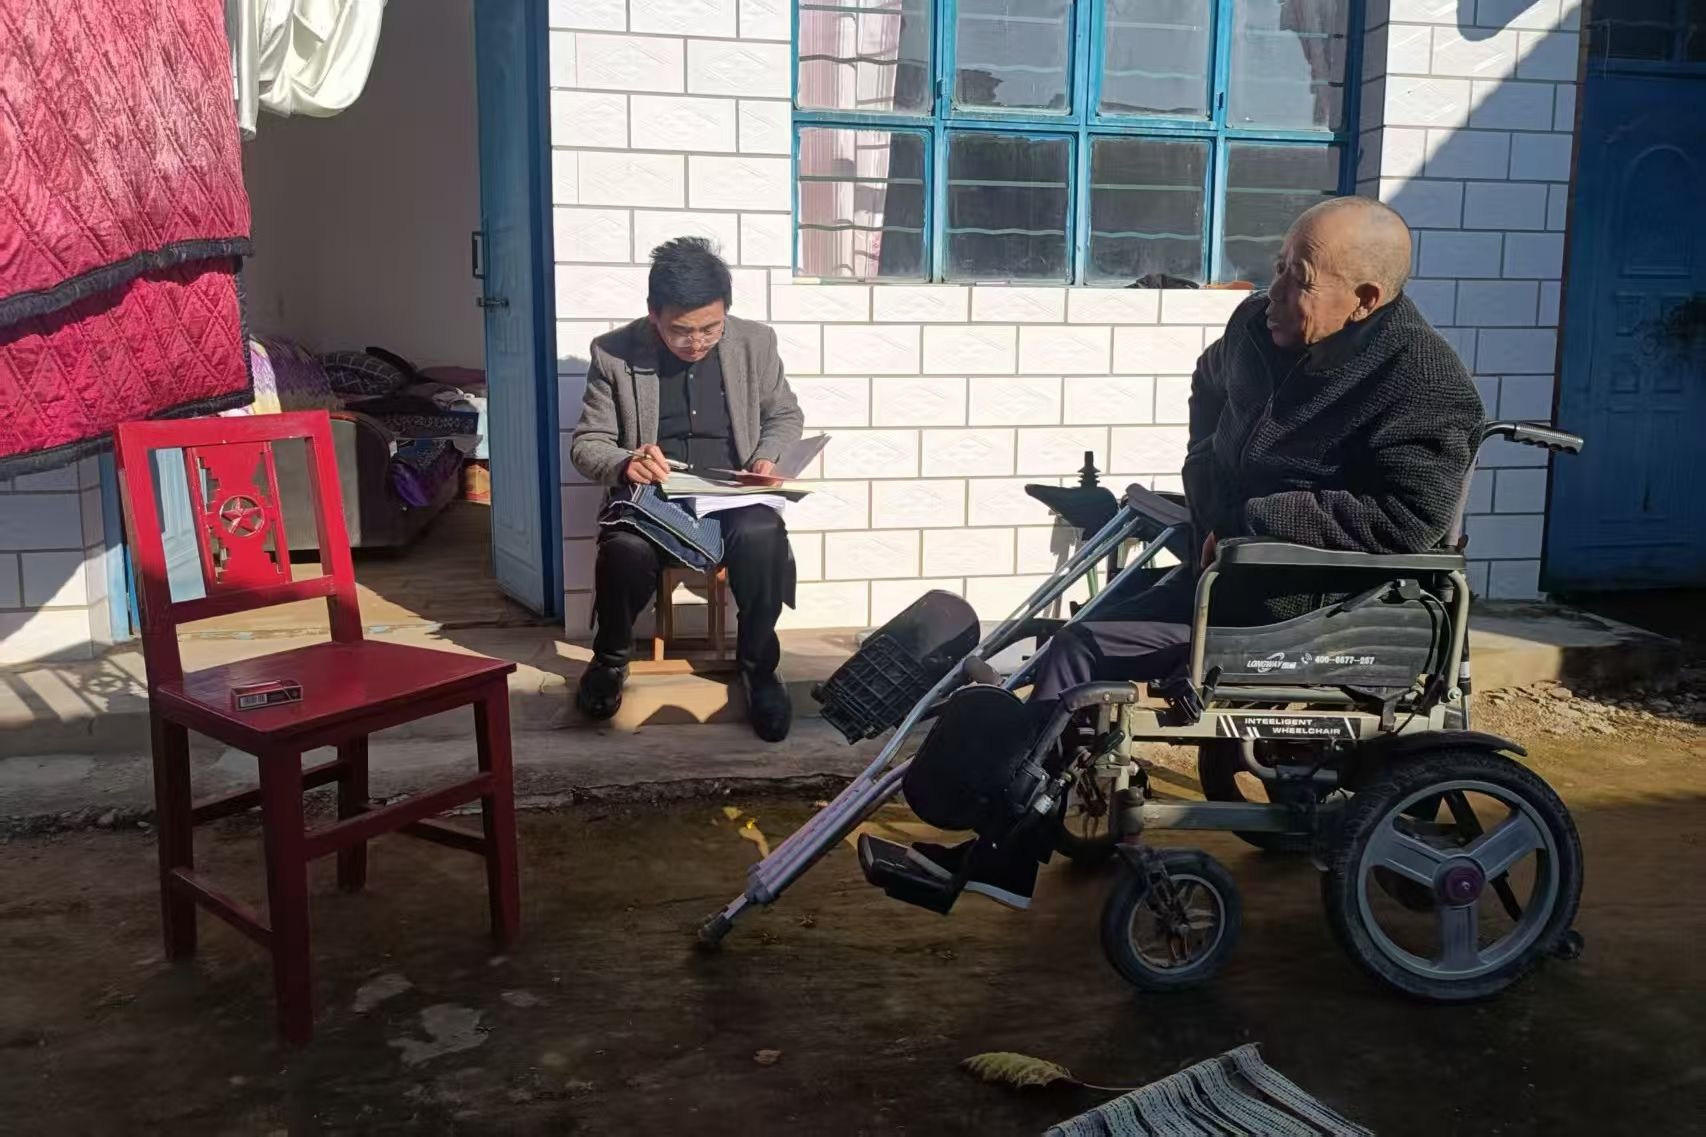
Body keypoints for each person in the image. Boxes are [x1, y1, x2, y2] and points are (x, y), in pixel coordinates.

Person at [907, 196, 1486, 909]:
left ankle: (1005, 856)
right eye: (1278, 265)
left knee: (1079, 655)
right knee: (1070, 633)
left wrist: (1255, 521)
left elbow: (1410, 519)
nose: (1272, 291)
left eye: (1299, 278)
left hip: (1311, 603)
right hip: (1232, 573)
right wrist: (1205, 474)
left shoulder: (1423, 384)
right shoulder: (1256, 327)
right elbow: (1209, 383)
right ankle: (1026, 809)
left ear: (1365, 298)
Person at [568, 238, 804, 741]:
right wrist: (626, 462)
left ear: (726, 312)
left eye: (710, 328)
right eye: (680, 330)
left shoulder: (755, 343)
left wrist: (767, 456)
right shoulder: (614, 353)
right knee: (624, 548)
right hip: (656, 497)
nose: (696, 342)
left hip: (732, 492)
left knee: (763, 533)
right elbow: (588, 444)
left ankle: (759, 667)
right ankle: (609, 661)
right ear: (653, 313)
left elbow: (784, 415)